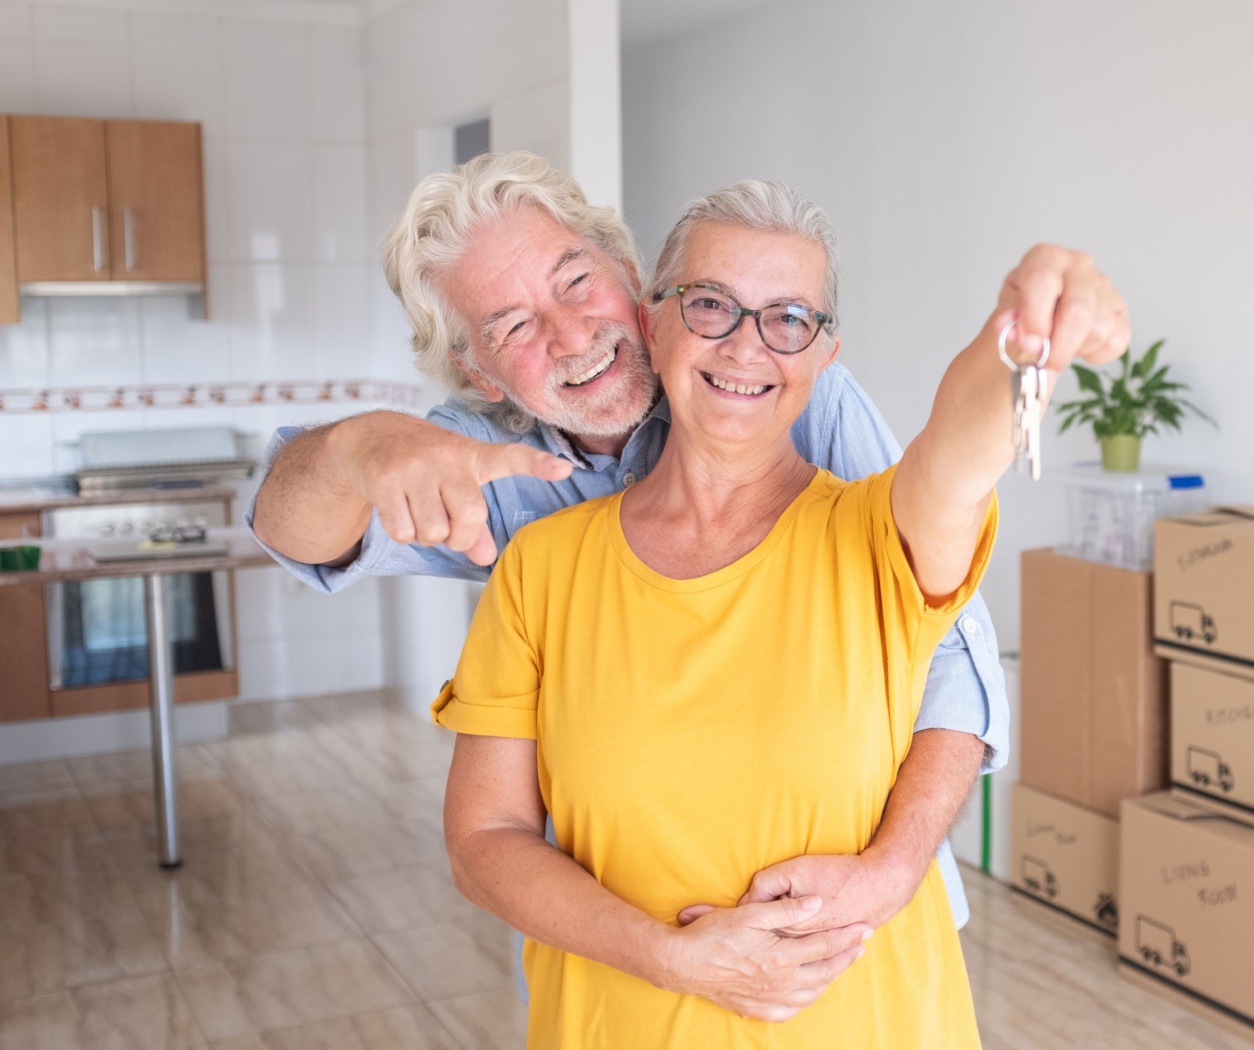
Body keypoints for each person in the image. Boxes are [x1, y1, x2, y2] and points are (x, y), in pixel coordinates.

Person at [246, 154, 1028, 974]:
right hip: (625, 945)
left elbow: (943, 641)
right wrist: (352, 447)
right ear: (478, 373)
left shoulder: (781, 382)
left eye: (576, 283)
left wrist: (892, 871)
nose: (572, 335)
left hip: (846, 924)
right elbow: (290, 528)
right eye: (512, 326)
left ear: (630, 274)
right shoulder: (485, 465)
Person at [436, 180, 1127, 1047]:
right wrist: (670, 956)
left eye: (788, 319)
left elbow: (956, 451)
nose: (746, 346)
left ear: (824, 352)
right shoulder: (542, 567)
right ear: (654, 322)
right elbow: (483, 840)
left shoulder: (880, 535)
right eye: (712, 305)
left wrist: (1024, 338)